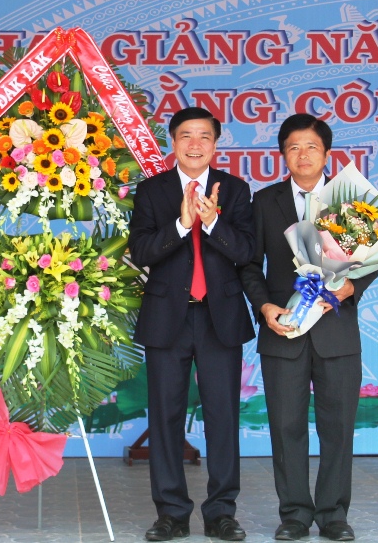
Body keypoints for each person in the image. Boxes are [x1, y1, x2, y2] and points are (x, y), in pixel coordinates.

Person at [239, 114, 378, 542]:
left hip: (336, 331)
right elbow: (249, 264)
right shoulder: (265, 201)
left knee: (338, 428)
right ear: (283, 154)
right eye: (294, 147)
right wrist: (264, 306)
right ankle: (295, 514)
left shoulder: (350, 201)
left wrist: (351, 287)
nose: (303, 155)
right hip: (285, 329)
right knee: (286, 428)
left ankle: (334, 514)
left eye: (311, 147)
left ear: (327, 153)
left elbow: (372, 259)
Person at [129, 107, 256, 542]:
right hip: (168, 318)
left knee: (223, 416)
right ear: (173, 142)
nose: (195, 144)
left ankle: (221, 513)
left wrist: (213, 221)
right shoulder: (152, 192)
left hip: (219, 318)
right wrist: (183, 224)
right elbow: (142, 252)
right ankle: (171, 513)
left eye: (204, 136)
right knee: (165, 416)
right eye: (186, 135)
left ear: (216, 144)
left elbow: (246, 252)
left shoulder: (235, 190)